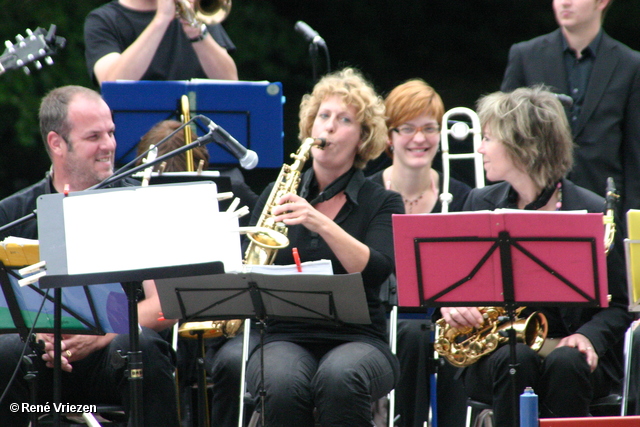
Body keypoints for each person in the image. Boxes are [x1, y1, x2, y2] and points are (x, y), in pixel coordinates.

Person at [439, 86, 633, 425]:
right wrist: (452, 304)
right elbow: (451, 285)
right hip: (498, 350)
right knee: (518, 361)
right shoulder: (478, 202)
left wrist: (588, 336)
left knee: (566, 363)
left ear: (522, 146)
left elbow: (620, 305)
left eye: (488, 138)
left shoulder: (592, 210)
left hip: (573, 351)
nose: (480, 148)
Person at [0, 86, 179, 426]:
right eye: (94, 136)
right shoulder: (13, 214)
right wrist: (38, 337)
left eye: (111, 132)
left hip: (111, 356)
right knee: (6, 352)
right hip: (39, 359)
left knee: (142, 349)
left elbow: (164, 306)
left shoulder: (140, 206)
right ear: (56, 143)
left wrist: (101, 335)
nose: (110, 145)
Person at [242, 67, 403, 426]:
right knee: (281, 383)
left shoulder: (383, 201)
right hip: (283, 335)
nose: (328, 127)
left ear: (362, 138)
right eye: (323, 116)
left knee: (338, 379)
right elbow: (249, 267)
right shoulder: (276, 194)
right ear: (310, 127)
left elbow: (377, 270)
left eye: (344, 119)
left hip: (360, 338)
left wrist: (318, 221)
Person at [135, 118, 260, 426]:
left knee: (232, 364)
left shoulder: (234, 194)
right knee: (155, 357)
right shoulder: (136, 200)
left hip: (231, 323)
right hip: (170, 323)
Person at [368, 79, 470, 427]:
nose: (419, 138)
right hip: (380, 321)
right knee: (411, 337)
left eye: (429, 128)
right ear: (388, 137)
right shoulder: (367, 195)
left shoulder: (460, 197)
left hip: (445, 322)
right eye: (407, 128)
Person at [500, 0, 640, 217]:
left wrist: (631, 221)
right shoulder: (525, 55)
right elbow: (505, 135)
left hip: (606, 207)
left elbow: (634, 152)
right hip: (534, 205)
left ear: (602, 2)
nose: (564, 3)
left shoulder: (630, 64)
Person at [84, 0, 238, 85]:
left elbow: (231, 82)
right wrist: (161, 20)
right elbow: (112, 84)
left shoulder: (195, 13)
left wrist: (198, 33)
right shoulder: (103, 20)